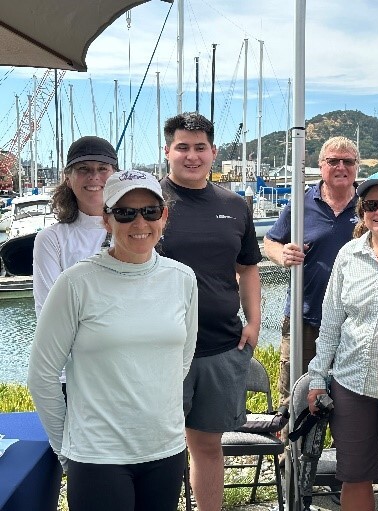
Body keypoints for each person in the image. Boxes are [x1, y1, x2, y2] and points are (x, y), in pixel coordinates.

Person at [28, 170, 198, 511]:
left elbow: (182, 358)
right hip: (96, 455)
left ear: (163, 216)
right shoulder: (76, 283)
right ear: (106, 220)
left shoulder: (182, 279)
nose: (139, 222)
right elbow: (42, 375)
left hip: (164, 449)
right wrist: (66, 448)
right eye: (124, 212)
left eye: (150, 211)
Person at [157, 112, 262, 511]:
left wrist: (253, 323)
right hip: (162, 349)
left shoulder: (234, 206)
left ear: (213, 152)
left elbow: (248, 267)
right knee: (161, 446)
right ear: (168, 151)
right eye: (182, 147)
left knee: (207, 445)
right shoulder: (151, 204)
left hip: (220, 346)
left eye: (200, 147)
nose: (192, 155)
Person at [307, 171, 378, 511]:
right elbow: (331, 323)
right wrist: (317, 377)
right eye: (371, 205)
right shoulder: (348, 255)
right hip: (352, 381)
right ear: (361, 211)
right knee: (354, 477)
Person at [264, 136, 358, 449]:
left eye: (348, 161)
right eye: (333, 161)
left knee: (347, 399)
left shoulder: (370, 208)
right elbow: (271, 242)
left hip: (354, 323)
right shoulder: (300, 204)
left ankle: (338, 472)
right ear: (321, 166)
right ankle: (289, 470)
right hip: (303, 318)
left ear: (357, 167)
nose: (340, 167)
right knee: (294, 397)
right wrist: (282, 255)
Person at [33, 136, 118, 317]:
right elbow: (49, 312)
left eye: (102, 168)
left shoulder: (135, 231)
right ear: (68, 179)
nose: (94, 176)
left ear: (116, 176)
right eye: (83, 169)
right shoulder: (51, 239)